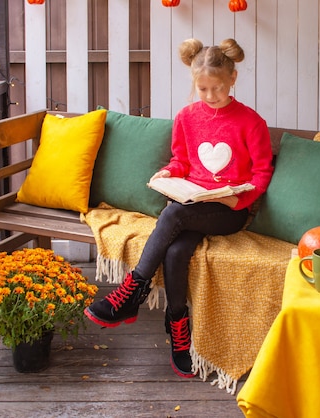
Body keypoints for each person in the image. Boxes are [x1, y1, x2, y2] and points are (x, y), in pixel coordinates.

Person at [84, 38, 273, 378]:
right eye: (203, 89)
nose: (211, 96)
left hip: (228, 212)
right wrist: (168, 173)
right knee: (175, 253)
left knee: (172, 214)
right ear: (194, 83)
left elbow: (261, 173)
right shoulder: (186, 117)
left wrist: (237, 198)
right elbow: (181, 161)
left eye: (217, 88)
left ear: (233, 79)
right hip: (192, 205)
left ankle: (131, 291)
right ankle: (179, 334)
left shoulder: (250, 122)